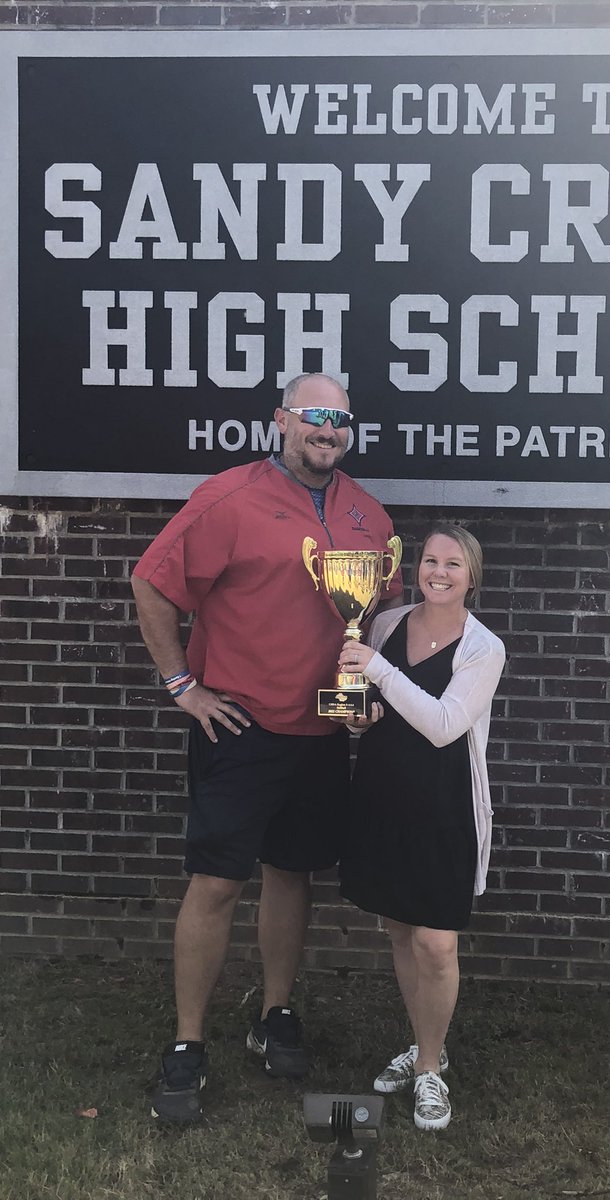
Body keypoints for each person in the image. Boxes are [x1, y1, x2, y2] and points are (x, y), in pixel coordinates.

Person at [130, 373, 402, 1124]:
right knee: (216, 883)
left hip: (321, 731)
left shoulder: (367, 515)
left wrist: (370, 695)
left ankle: (274, 1014)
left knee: (292, 875)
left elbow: (379, 619)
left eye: (341, 420)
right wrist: (182, 683)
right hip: (239, 726)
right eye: (315, 416)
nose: (328, 430)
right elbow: (152, 583)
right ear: (281, 419)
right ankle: (188, 1043)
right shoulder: (230, 497)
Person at [335, 524, 505, 1132]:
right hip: (384, 796)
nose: (439, 571)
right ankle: (420, 1045)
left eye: (452, 563)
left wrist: (378, 670)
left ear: (471, 576)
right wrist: (359, 715)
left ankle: (431, 1069)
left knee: (437, 941)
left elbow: (442, 725)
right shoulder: (386, 622)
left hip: (444, 805)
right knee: (401, 931)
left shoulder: (484, 647)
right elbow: (374, 710)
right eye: (431, 560)